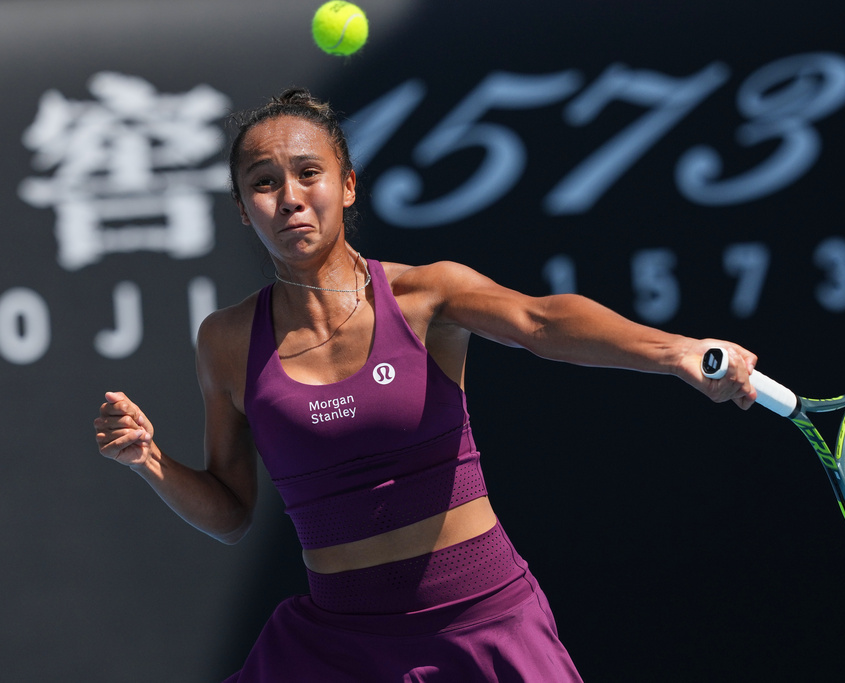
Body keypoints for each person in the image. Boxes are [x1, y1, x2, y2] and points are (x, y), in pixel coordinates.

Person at [94, 88, 758, 682]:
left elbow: (540, 319)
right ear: (243, 209)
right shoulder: (226, 340)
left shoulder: (425, 294)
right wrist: (151, 461)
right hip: (338, 647)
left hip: (481, 625)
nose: (290, 196)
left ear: (347, 185)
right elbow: (232, 511)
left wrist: (677, 351)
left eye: (308, 173)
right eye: (264, 183)